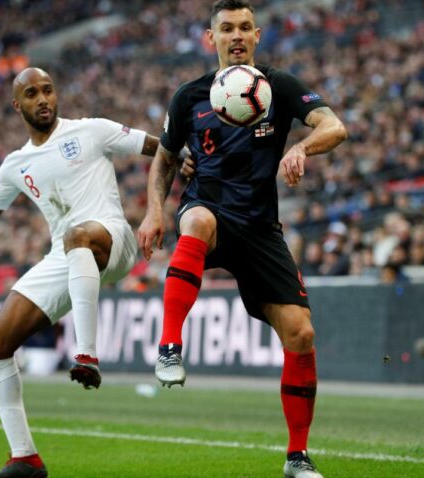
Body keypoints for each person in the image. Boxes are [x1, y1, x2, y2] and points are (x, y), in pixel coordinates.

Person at [0, 67, 159, 478]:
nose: (43, 99)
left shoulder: (92, 130)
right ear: (16, 104)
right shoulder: (15, 164)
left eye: (48, 90)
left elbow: (158, 148)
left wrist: (170, 188)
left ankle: (87, 353)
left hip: (113, 239)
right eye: (32, 93)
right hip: (67, 253)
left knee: (77, 235)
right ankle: (25, 460)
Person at [137, 1, 347, 477]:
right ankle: (170, 345)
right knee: (198, 222)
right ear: (210, 39)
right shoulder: (188, 96)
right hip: (208, 208)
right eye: (226, 28)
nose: (236, 35)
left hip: (259, 227)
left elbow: (335, 126)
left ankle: (297, 456)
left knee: (301, 334)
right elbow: (165, 158)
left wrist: (302, 146)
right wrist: (154, 212)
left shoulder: (281, 87)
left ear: (258, 35)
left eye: (245, 28)